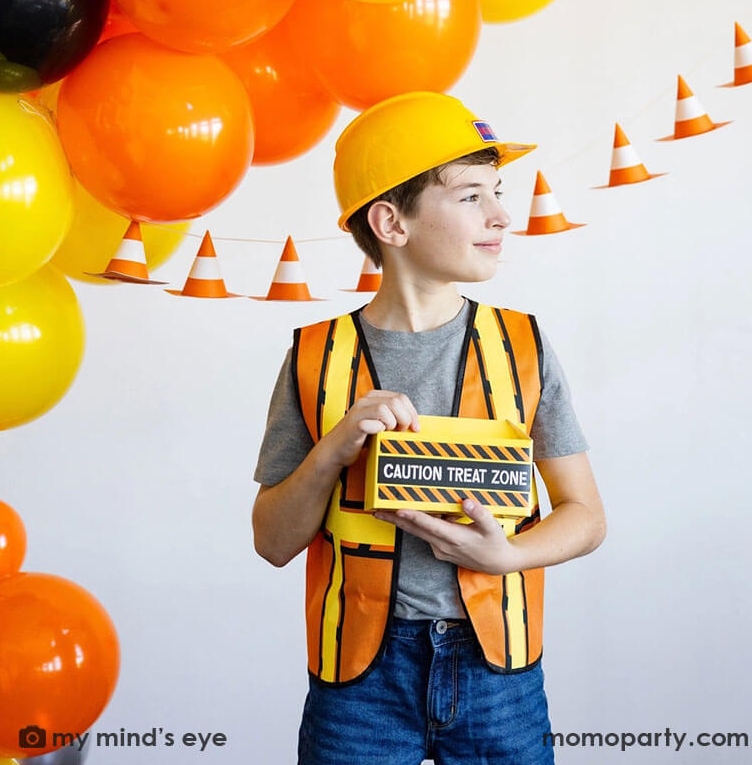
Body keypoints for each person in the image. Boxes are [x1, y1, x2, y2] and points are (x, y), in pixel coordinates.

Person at [252, 91, 606, 765]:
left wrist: (510, 557)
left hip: (498, 672)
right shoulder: (314, 357)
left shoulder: (523, 346)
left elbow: (586, 515)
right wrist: (333, 449)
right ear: (391, 221)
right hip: (359, 680)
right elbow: (271, 541)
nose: (503, 214)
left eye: (497, 192)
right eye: (472, 196)